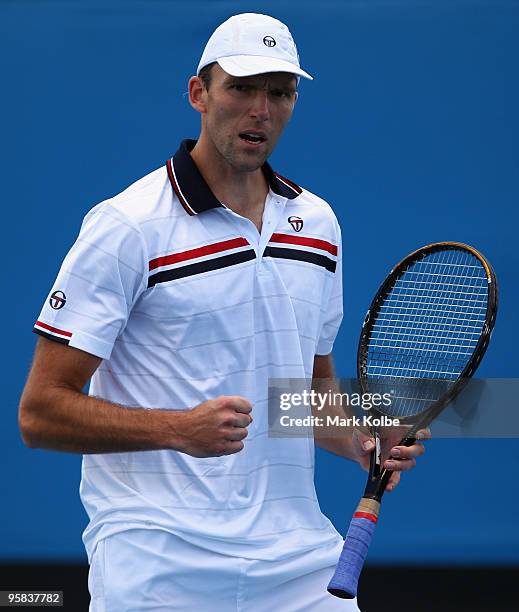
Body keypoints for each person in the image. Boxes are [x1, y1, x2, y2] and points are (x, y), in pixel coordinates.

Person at [19, 13, 426, 611]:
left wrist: (365, 434)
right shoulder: (126, 226)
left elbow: (302, 399)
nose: (261, 109)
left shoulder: (317, 224)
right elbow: (40, 413)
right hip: (157, 552)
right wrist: (176, 430)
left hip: (297, 559)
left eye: (280, 92)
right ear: (199, 94)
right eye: (241, 87)